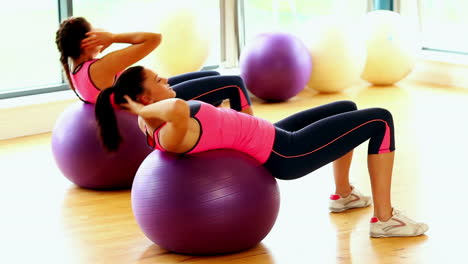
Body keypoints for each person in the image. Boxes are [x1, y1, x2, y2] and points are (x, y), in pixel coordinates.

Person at [94, 66, 429, 238]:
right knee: (380, 120)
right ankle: (385, 220)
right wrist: (141, 106)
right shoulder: (169, 132)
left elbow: (173, 103)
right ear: (148, 100)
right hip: (285, 153)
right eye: (158, 79)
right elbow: (180, 106)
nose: (166, 78)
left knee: (347, 106)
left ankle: (344, 195)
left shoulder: (151, 122)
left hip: (274, 133)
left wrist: (143, 105)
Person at [55, 16, 253, 115]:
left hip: (148, 93)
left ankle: (209, 125)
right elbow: (154, 39)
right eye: (94, 33)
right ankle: (249, 135)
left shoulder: (75, 70)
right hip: (155, 101)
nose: (99, 34)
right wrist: (113, 38)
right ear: (84, 43)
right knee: (234, 83)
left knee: (216, 75)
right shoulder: (99, 68)